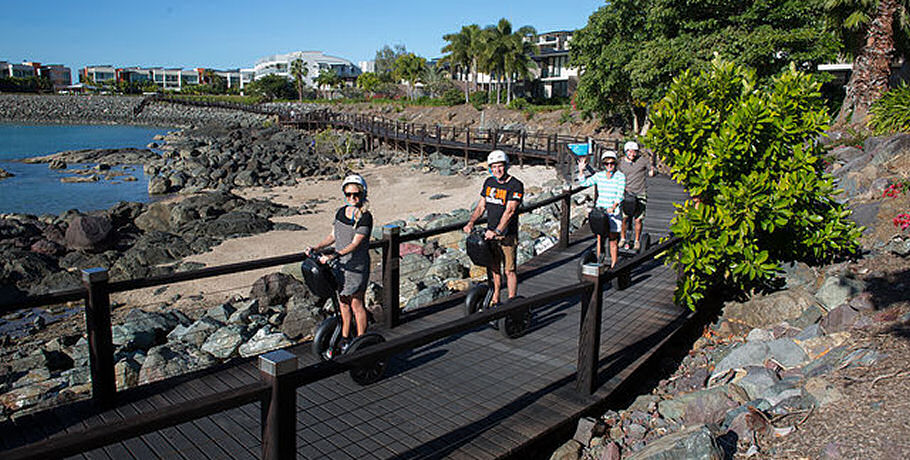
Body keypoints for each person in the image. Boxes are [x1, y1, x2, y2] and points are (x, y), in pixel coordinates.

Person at [305, 174, 373, 350]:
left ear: (363, 194)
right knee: (343, 302)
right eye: (348, 194)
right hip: (340, 266)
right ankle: (344, 337)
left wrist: (334, 255)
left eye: (356, 194)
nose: (352, 198)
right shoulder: (341, 212)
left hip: (356, 267)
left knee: (357, 303)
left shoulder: (365, 217)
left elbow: (355, 243)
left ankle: (361, 340)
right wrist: (317, 248)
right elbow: (333, 235)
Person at [463, 150, 524, 305]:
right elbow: (481, 206)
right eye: (494, 167)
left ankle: (512, 302)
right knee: (494, 267)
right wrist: (471, 222)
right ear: (490, 168)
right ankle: (495, 297)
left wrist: (497, 231)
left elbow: (510, 211)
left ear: (506, 166)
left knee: (509, 270)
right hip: (490, 235)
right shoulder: (489, 182)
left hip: (507, 236)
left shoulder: (515, 185)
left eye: (500, 166)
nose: (498, 170)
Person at [575, 150, 626, 268]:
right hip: (600, 209)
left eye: (612, 163)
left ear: (615, 164)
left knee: (613, 239)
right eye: (606, 164)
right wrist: (581, 170)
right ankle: (599, 262)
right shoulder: (599, 176)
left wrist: (614, 206)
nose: (609, 166)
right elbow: (584, 183)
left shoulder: (620, 176)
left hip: (613, 211)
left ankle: (614, 264)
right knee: (599, 237)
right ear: (603, 164)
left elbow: (620, 193)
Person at [618, 141, 655, 251]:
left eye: (634, 152)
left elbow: (651, 169)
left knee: (638, 219)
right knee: (624, 218)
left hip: (640, 193)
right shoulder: (620, 163)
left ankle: (637, 240)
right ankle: (623, 238)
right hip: (626, 194)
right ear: (626, 152)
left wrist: (653, 171)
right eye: (630, 151)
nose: (632, 154)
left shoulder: (642, 160)